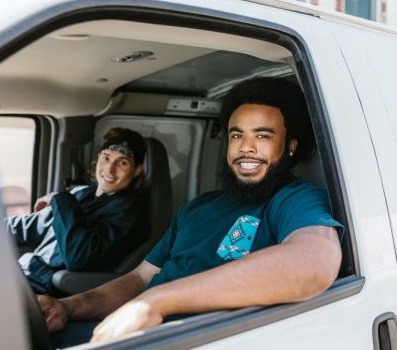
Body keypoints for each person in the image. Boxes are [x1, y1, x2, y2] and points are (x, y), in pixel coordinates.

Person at [38, 77, 343, 346]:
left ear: (289, 146)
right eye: (237, 135)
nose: (246, 147)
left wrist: (156, 302)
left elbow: (315, 261)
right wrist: (69, 307)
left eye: (262, 136)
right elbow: (140, 279)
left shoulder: (294, 199)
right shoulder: (198, 207)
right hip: (121, 330)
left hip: (185, 338)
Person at [8, 127, 151, 295]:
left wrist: (60, 199)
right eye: (106, 158)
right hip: (22, 273)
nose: (110, 169)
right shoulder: (82, 194)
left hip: (44, 288)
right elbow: (28, 227)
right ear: (98, 159)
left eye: (122, 162)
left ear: (137, 170)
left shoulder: (129, 214)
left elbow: (78, 257)